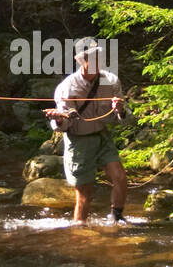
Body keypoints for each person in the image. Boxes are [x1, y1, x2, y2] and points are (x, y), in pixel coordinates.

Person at [42, 37, 128, 224]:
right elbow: (64, 127)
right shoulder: (68, 87)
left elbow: (120, 120)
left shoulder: (111, 81)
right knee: (84, 195)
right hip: (79, 141)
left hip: (103, 137)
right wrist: (58, 119)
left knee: (120, 178)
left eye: (99, 56)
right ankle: (79, 231)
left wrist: (120, 109)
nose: (98, 61)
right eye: (92, 57)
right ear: (81, 60)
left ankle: (117, 218)